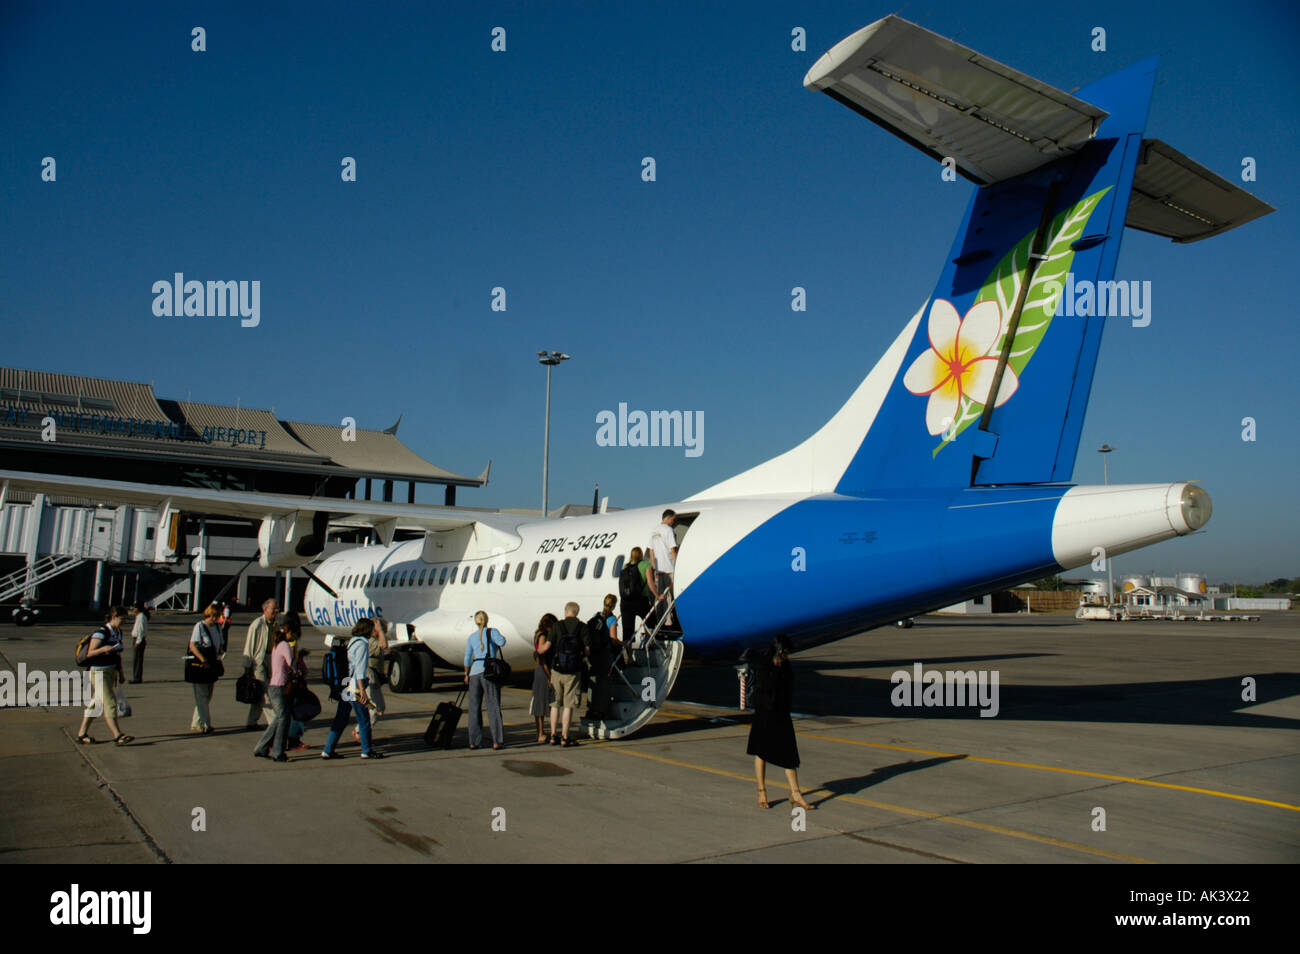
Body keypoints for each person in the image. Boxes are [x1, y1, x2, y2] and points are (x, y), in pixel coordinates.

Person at [745, 635, 812, 811]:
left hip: (781, 713)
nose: (787, 656)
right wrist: (776, 670)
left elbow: (790, 687)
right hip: (765, 713)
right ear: (779, 651)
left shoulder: (786, 666)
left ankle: (796, 792)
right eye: (785, 653)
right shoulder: (764, 664)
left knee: (789, 754)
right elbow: (765, 686)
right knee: (761, 752)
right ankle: (761, 792)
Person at [320, 618, 384, 760]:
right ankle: (366, 751)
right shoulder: (362, 644)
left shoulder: (353, 641)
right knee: (364, 720)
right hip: (355, 687)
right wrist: (362, 692)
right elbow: (360, 670)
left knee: (341, 718)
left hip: (347, 685)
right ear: (367, 629)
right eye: (373, 629)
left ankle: (327, 749)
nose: (374, 631)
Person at [75, 606, 132, 745]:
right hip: (99, 672)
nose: (124, 622)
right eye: (122, 619)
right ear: (113, 617)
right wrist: (103, 649)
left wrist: (121, 672)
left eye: (126, 619)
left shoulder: (118, 632)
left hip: (111, 671)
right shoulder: (101, 633)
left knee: (95, 704)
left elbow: (118, 655)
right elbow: (89, 653)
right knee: (110, 703)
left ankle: (82, 734)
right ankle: (118, 735)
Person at [543, 602, 588, 746]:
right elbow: (587, 650)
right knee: (569, 705)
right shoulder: (583, 627)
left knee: (555, 704)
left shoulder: (557, 626)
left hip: (557, 669)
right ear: (577, 612)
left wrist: (539, 652)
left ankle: (553, 735)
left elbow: (547, 646)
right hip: (573, 672)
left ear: (565, 611)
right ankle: (565, 736)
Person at [463, 610, 507, 750]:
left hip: (474, 671)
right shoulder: (492, 632)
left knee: (474, 708)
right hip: (488, 672)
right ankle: (497, 741)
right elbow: (502, 642)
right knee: (493, 706)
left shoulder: (472, 637)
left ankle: (474, 741)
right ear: (487, 620)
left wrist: (466, 674)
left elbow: (467, 657)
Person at [253, 622, 294, 762]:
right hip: (280, 686)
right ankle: (278, 752)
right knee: (284, 719)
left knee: (279, 718)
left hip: (274, 685)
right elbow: (291, 664)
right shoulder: (285, 646)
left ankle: (261, 747)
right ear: (287, 633)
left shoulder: (276, 646)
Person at [189, 603, 226, 733]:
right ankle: (205, 724)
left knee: (207, 696)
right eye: (213, 616)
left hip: (212, 664)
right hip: (200, 665)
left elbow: (220, 644)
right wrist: (202, 659)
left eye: (217, 616)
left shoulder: (217, 627)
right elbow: (192, 645)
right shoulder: (199, 626)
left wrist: (220, 652)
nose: (215, 619)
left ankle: (196, 722)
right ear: (208, 615)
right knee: (202, 695)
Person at [242, 598, 278, 729]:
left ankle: (251, 722)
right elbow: (249, 646)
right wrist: (247, 666)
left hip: (271, 660)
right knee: (265, 693)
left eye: (277, 609)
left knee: (258, 693)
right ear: (265, 609)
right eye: (273, 609)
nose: (276, 611)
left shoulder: (276, 625)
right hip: (259, 661)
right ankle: (274, 723)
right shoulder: (257, 624)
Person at [586, 594, 621, 721]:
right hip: (604, 654)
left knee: (593, 681)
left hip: (594, 654)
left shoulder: (597, 616)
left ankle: (591, 709)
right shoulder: (611, 619)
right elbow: (613, 639)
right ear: (614, 605)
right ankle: (601, 710)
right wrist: (624, 644)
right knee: (604, 683)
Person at [355, 618, 390, 743]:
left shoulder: (370, 640)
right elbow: (384, 645)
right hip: (369, 678)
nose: (384, 631)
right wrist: (380, 630)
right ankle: (360, 732)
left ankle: (361, 731)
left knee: (377, 707)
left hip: (374, 679)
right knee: (375, 708)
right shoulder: (370, 641)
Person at [281, 613, 312, 750]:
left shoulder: (283, 638)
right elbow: (290, 660)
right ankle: (292, 740)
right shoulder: (290, 640)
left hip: (287, 678)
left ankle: (288, 740)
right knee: (294, 712)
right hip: (291, 680)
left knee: (289, 712)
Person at [646, 510, 678, 630]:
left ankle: (660, 621)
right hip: (669, 568)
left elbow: (651, 550)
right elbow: (673, 549)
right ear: (669, 518)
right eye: (673, 520)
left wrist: (654, 567)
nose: (674, 522)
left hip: (659, 570)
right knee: (670, 597)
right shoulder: (668, 530)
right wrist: (677, 565)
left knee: (660, 597)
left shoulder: (654, 530)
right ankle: (669, 623)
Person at [530, 613, 557, 743]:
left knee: (540, 702)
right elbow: (542, 657)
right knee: (542, 703)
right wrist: (549, 675)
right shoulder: (543, 636)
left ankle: (540, 732)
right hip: (543, 672)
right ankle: (540, 733)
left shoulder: (537, 634)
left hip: (540, 671)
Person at [619, 547, 651, 653]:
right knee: (652, 622)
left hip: (626, 601)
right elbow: (650, 583)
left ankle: (629, 657)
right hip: (641, 600)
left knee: (627, 631)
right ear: (641, 555)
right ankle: (649, 644)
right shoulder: (646, 565)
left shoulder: (625, 567)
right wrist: (657, 595)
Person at [128, 603, 149, 683]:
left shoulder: (140, 618)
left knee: (137, 660)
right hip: (139, 639)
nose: (133, 609)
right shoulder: (140, 617)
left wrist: (138, 642)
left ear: (138, 609)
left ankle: (137, 678)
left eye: (134, 608)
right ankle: (137, 677)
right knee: (138, 659)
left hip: (138, 640)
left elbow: (140, 630)